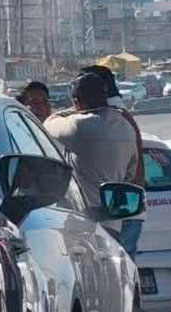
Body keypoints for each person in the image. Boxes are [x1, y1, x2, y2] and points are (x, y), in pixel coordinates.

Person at [44, 73, 141, 256]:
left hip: (82, 221)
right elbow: (130, 174)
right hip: (113, 222)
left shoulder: (78, 126)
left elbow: (48, 124)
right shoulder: (126, 127)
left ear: (76, 101)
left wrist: (72, 111)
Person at [78, 65, 145, 258]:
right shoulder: (121, 114)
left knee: (116, 275)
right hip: (128, 208)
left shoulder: (110, 116)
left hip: (117, 212)